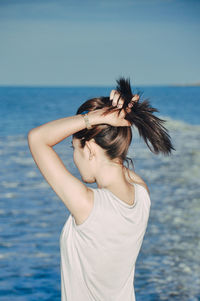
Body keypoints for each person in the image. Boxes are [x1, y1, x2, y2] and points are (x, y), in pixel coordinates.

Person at [28, 77, 175, 301]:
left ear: (89, 148)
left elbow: (37, 138)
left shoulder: (88, 205)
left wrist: (93, 118)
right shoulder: (142, 193)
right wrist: (121, 114)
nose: (74, 158)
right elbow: (117, 162)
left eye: (74, 148)